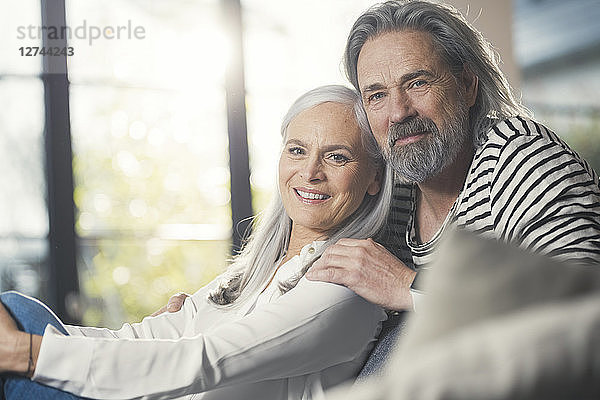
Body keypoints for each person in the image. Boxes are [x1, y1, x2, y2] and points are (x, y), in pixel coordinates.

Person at [0, 84, 395, 400]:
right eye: (297, 151)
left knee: (20, 334)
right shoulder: (254, 272)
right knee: (16, 311)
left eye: (338, 157)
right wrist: (28, 344)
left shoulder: (343, 286)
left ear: (374, 178)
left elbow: (201, 361)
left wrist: (27, 352)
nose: (310, 172)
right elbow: (147, 337)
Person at [303, 0, 600, 311]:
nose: (398, 112)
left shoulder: (521, 158)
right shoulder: (393, 189)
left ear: (467, 85)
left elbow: (579, 315)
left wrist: (406, 286)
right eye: (377, 95)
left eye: (418, 83)